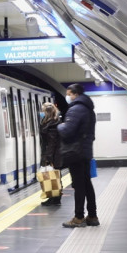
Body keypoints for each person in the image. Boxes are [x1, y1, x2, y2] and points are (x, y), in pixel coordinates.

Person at [58, 84, 99, 227]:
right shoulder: (88, 109)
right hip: (85, 151)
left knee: (79, 185)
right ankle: (92, 216)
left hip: (75, 152)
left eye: (68, 94)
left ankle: (79, 217)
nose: (67, 96)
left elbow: (67, 130)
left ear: (74, 94)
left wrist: (59, 124)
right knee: (87, 184)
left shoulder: (76, 109)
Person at [39, 102, 63, 207]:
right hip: (53, 153)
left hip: (53, 154)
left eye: (43, 111)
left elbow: (51, 142)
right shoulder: (53, 122)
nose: (41, 113)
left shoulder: (52, 124)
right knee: (53, 175)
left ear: (47, 112)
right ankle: (53, 197)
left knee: (54, 176)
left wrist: (49, 158)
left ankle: (55, 198)